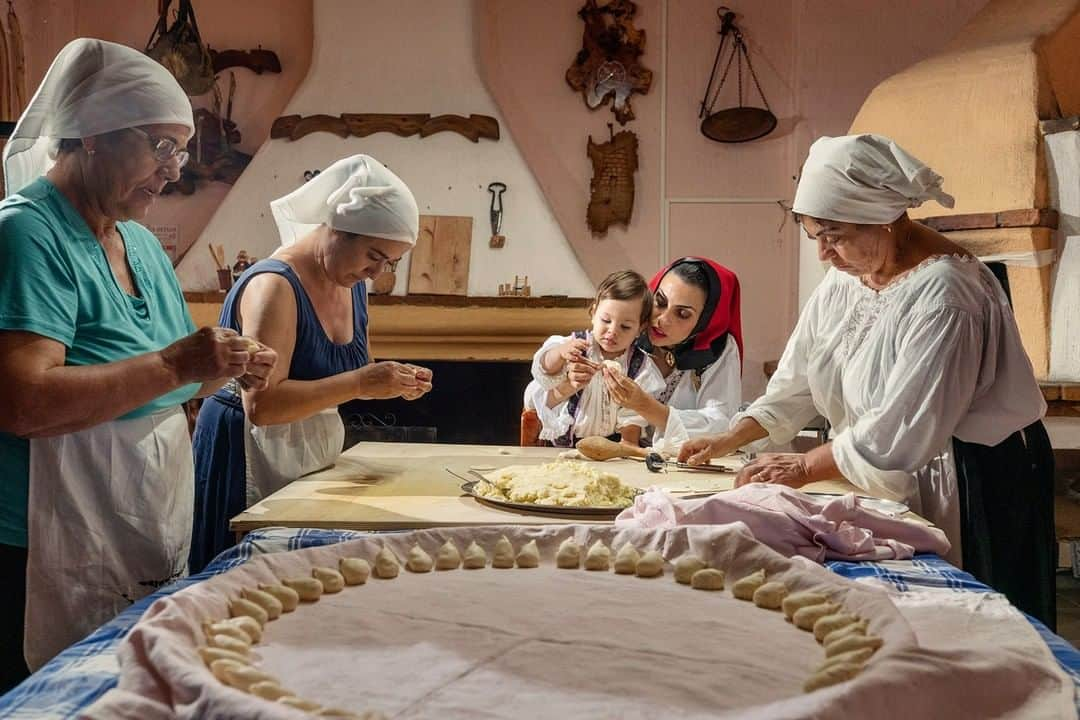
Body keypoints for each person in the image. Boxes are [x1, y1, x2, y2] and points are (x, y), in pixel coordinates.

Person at [679, 134, 1054, 625]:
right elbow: (797, 382)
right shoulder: (847, 278)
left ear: (886, 218)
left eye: (833, 235)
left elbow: (902, 433)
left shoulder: (947, 297)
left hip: (971, 479)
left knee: (963, 625)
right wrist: (732, 436)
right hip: (885, 463)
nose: (823, 255)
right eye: (815, 235)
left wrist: (802, 467)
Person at [0, 39, 276, 683]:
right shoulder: (26, 233)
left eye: (180, 151)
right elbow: (23, 402)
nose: (174, 170)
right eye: (160, 147)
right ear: (92, 135)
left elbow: (170, 376)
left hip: (133, 519)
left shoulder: (140, 242)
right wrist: (180, 367)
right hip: (40, 541)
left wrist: (226, 365)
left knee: (127, 688)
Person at [189, 155, 433, 573]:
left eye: (389, 263)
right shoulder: (275, 286)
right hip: (247, 452)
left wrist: (390, 381)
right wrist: (360, 383)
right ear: (335, 228)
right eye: (373, 256)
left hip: (307, 452)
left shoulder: (352, 284)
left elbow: (349, 371)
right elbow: (262, 408)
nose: (376, 273)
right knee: (248, 588)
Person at [602, 257, 743, 454]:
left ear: (705, 320)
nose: (662, 320)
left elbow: (722, 426)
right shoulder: (625, 328)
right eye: (659, 302)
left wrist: (645, 405)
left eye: (683, 314)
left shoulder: (718, 348)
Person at [524, 270, 663, 447]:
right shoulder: (575, 346)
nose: (612, 331)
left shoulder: (640, 366)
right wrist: (560, 353)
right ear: (594, 312)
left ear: (640, 328)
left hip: (611, 447)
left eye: (625, 327)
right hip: (567, 444)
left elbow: (633, 415)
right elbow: (543, 369)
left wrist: (628, 446)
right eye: (606, 320)